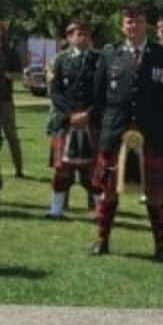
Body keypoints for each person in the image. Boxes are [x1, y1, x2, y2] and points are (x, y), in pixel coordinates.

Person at [90, 3, 163, 259]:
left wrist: (161, 123)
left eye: (138, 21)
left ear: (146, 25)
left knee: (155, 195)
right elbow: (99, 97)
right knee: (108, 192)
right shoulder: (110, 54)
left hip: (152, 135)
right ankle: (101, 240)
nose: (133, 26)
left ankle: (160, 246)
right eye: (128, 22)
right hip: (116, 132)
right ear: (122, 26)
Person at [45, 20, 99, 219]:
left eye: (85, 34)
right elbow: (56, 91)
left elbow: (102, 93)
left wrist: (88, 114)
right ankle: (56, 210)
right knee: (62, 170)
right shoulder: (60, 60)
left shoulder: (99, 60)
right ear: (69, 37)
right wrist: (71, 115)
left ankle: (99, 211)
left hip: (91, 121)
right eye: (77, 34)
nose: (82, 37)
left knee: (93, 170)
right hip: (67, 121)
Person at [0, 17, 25, 179]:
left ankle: (19, 169)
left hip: (5, 100)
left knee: (11, 136)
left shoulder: (10, 52)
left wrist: (5, 74)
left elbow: (19, 75)